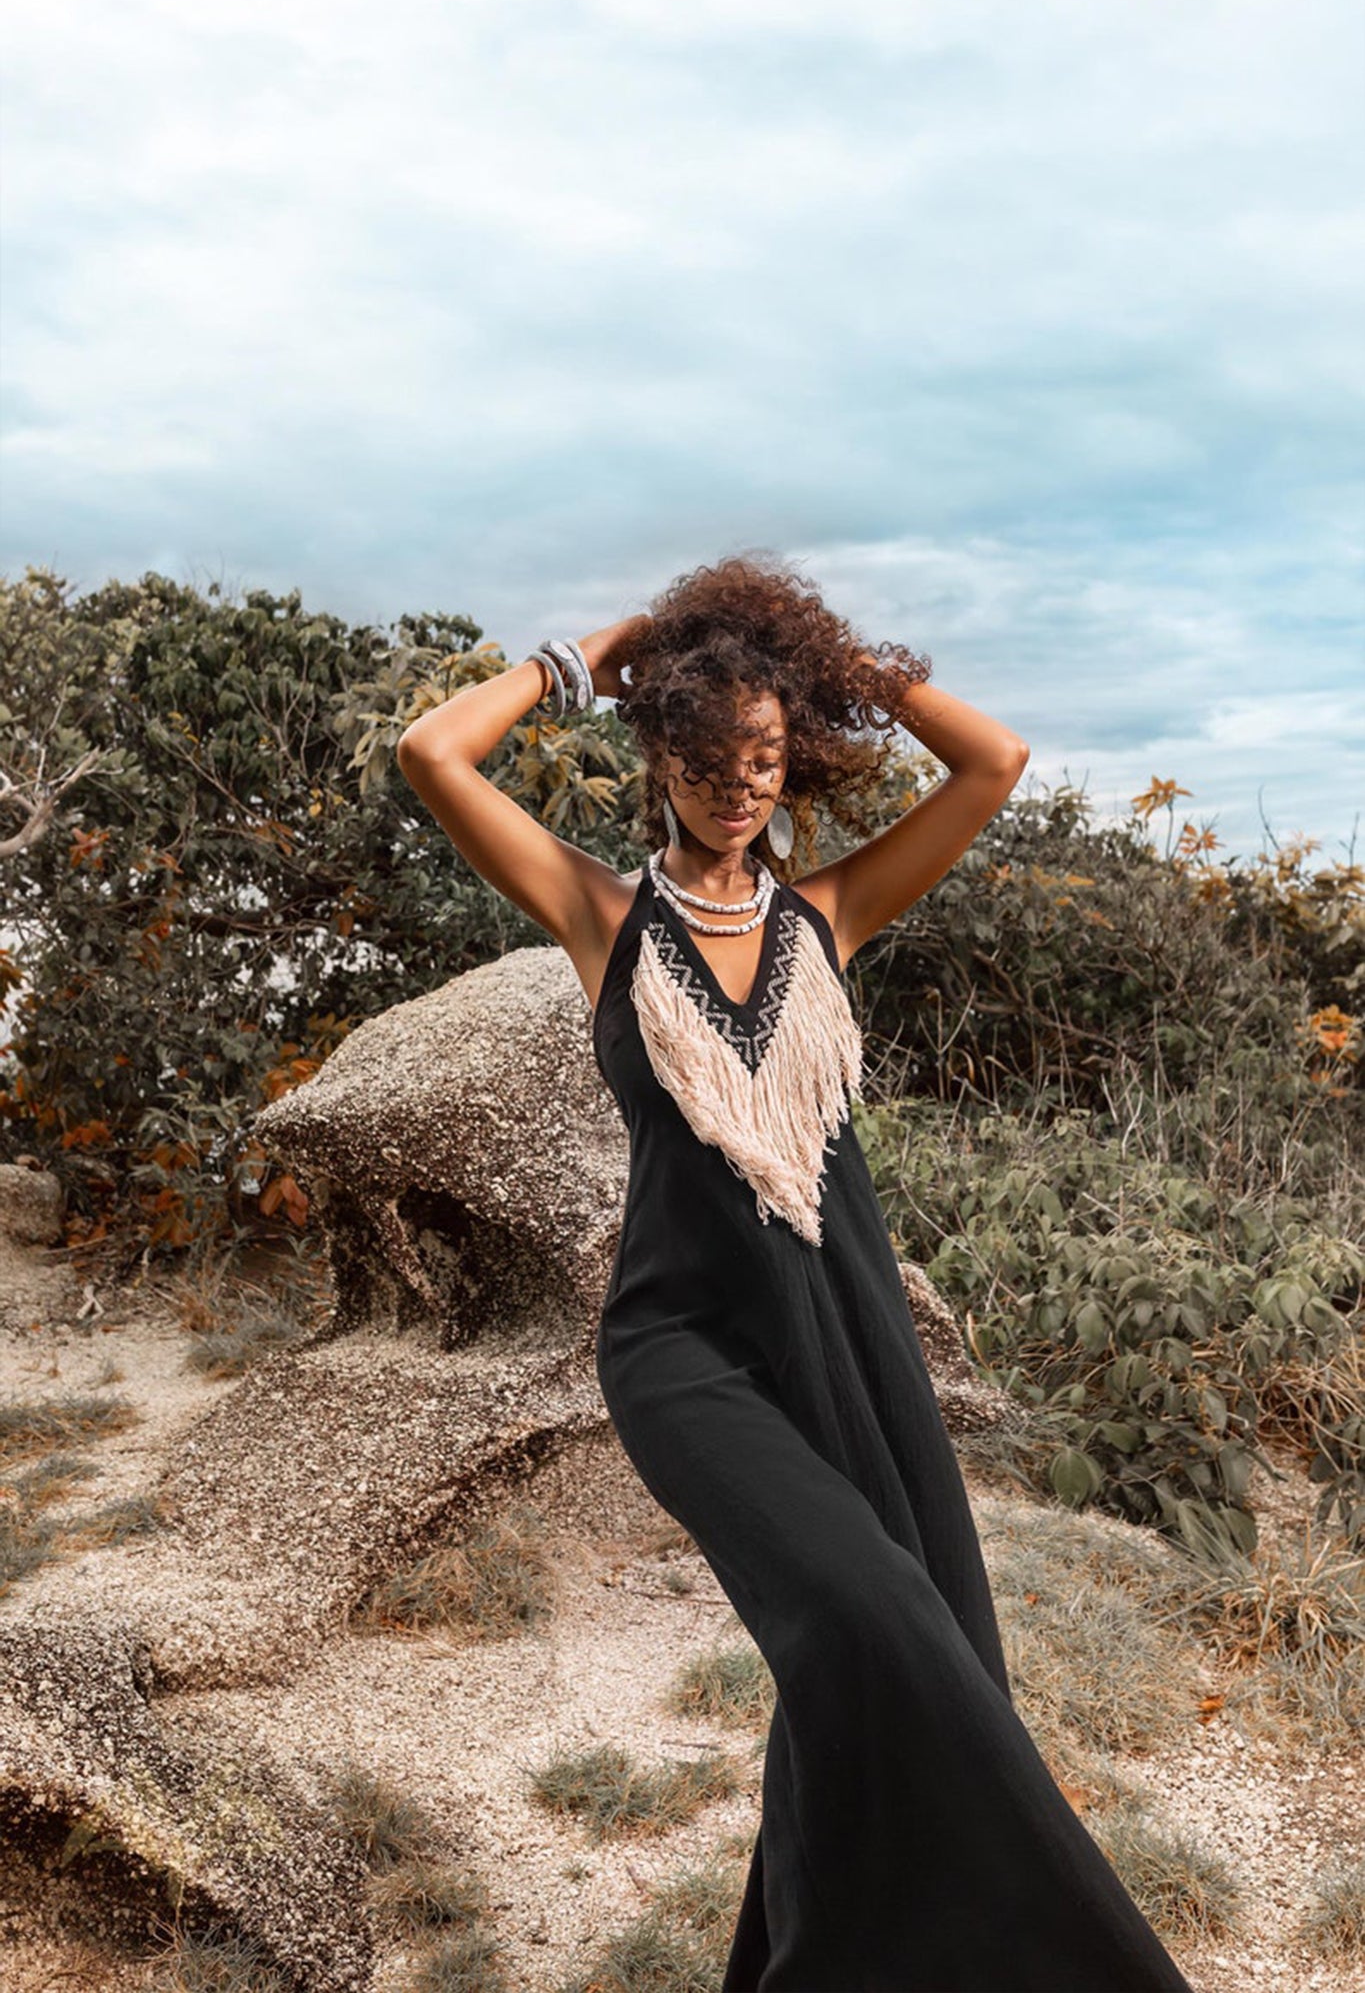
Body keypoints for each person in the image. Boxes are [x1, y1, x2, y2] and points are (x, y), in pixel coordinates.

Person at [397, 555, 1196, 1993]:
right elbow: (430, 751)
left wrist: (838, 668)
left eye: (762, 755)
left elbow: (992, 758)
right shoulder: (601, 920)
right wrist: (617, 646)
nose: (735, 782)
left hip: (849, 1342)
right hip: (686, 1352)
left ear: (794, 760)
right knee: (868, 1626)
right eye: (705, 756)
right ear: (662, 761)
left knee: (915, 1660)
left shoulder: (828, 915)